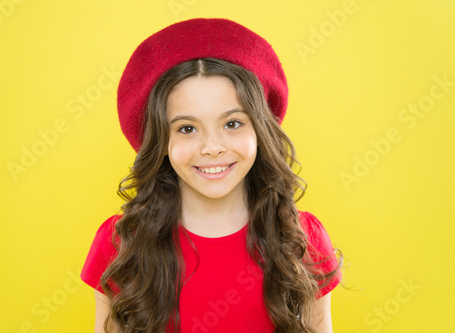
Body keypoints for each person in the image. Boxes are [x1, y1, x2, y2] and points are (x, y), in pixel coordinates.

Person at [80, 18, 343, 333]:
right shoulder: (120, 245)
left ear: (260, 129)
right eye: (187, 128)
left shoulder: (302, 240)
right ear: (161, 141)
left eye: (232, 123)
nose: (212, 148)